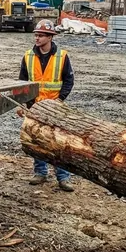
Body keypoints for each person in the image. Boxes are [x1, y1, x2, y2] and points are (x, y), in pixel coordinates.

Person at [19, 19, 75, 192]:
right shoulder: (28, 56)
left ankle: (63, 177)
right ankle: (40, 173)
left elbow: (69, 80)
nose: (37, 38)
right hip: (35, 106)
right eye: (36, 35)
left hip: (54, 107)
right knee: (37, 142)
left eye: (41, 35)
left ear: (50, 37)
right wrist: (22, 103)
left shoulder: (62, 56)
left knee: (58, 142)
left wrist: (60, 100)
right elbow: (22, 82)